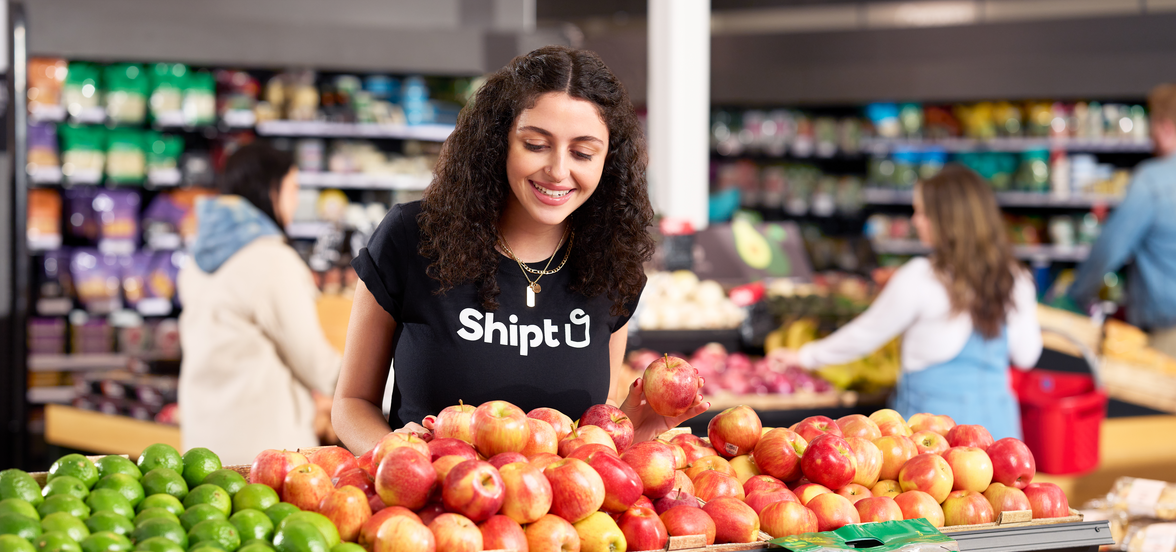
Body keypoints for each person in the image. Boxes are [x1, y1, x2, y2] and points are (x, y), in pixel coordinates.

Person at [333, 46, 707, 455]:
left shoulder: (611, 265)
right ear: (499, 141)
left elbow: (578, 449)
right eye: (535, 144)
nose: (559, 171)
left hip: (558, 518)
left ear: (608, 161)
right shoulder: (413, 235)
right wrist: (402, 461)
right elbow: (352, 403)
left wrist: (630, 431)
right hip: (430, 513)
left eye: (582, 153)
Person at [772, 164, 1042, 439]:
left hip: (934, 444)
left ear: (948, 219)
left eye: (923, 213)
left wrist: (804, 356)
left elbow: (865, 335)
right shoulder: (1015, 277)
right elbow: (1027, 356)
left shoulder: (921, 277)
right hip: (998, 434)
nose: (916, 221)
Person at [178, 142, 341, 465]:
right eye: (293, 188)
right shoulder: (272, 260)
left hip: (202, 447)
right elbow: (314, 363)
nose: (295, 202)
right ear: (271, 190)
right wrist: (374, 388)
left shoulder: (197, 258)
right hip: (265, 454)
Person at [1070, 84, 1176, 357]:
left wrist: (1077, 297)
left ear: (1165, 128)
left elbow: (1110, 248)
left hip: (1168, 334)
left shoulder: (1152, 181)